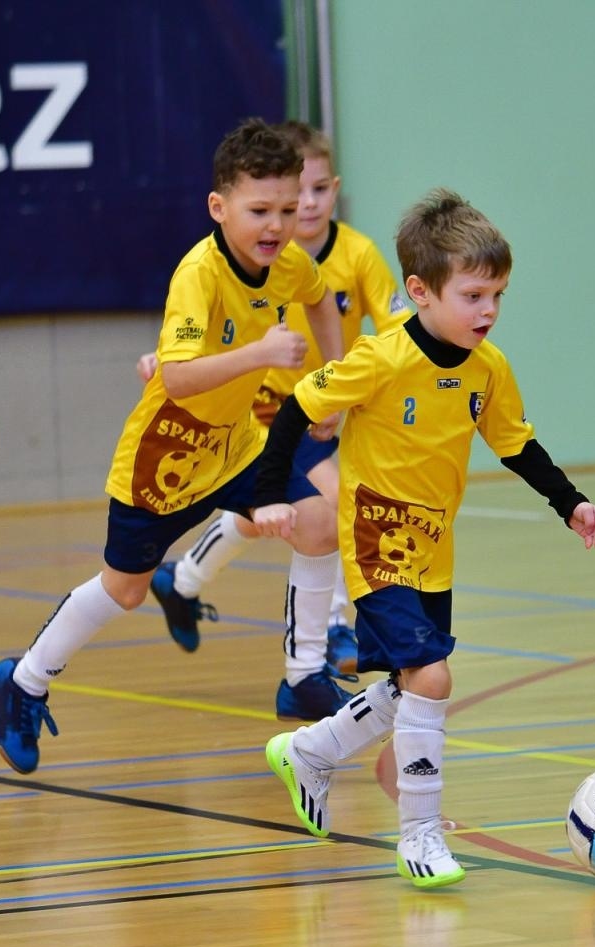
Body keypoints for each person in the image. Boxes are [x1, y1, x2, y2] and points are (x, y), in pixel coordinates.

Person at [250, 189, 595, 888]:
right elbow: (299, 408)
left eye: (498, 296)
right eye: (474, 295)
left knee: (405, 687)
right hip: (373, 543)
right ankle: (419, 837)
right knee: (432, 676)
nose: (488, 311)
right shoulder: (380, 359)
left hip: (432, 552)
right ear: (420, 292)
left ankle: (310, 751)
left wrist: (571, 505)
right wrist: (270, 492)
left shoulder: (489, 370)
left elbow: (517, 445)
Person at [0, 118, 352, 775]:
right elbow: (178, 379)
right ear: (219, 207)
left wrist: (335, 379)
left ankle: (303, 676)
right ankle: (24, 679)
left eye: (289, 210)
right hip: (167, 456)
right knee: (123, 591)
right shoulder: (200, 274)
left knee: (322, 522)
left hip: (238, 445)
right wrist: (261, 354)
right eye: (260, 210)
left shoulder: (290, 262)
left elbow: (322, 301)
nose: (277, 225)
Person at [147, 120, 410, 679]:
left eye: (316, 193)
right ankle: (331, 633)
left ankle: (185, 578)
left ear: (332, 192)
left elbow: (400, 330)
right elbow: (203, 329)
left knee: (280, 515)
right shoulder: (237, 258)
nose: (305, 206)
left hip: (319, 407)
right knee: (334, 505)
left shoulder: (356, 255)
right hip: (260, 409)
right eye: (296, 195)